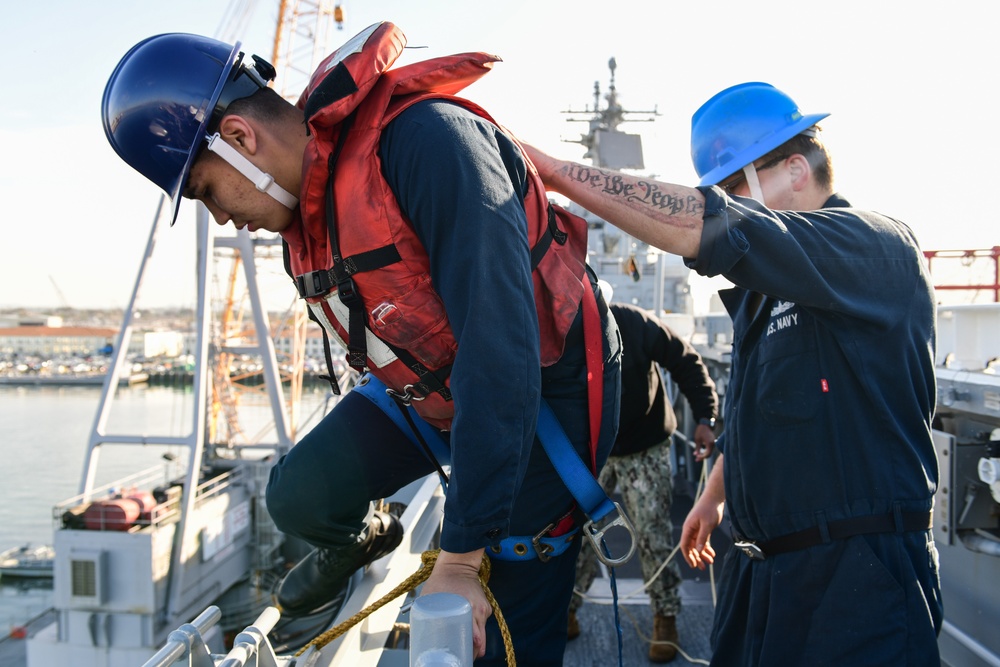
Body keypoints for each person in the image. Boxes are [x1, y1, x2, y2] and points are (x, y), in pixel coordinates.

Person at [101, 22, 622, 665]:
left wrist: (460, 558)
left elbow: (502, 355)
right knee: (299, 496)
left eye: (206, 191)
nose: (220, 216)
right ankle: (370, 537)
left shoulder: (428, 143)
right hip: (430, 388)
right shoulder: (307, 216)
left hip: (543, 391)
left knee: (504, 625)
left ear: (239, 139)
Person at [522, 82, 942, 666]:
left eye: (732, 186)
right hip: (761, 571)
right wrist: (713, 498)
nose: (728, 202)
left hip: (857, 576)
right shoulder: (764, 298)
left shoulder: (876, 249)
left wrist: (556, 173)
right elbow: (752, 412)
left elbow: (716, 228)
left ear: (796, 168)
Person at [567, 300, 718, 663]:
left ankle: (665, 617)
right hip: (593, 448)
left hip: (645, 444)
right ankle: (566, 608)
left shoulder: (633, 323)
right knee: (576, 530)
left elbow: (685, 360)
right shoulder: (563, 330)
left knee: (652, 532)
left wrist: (705, 417)